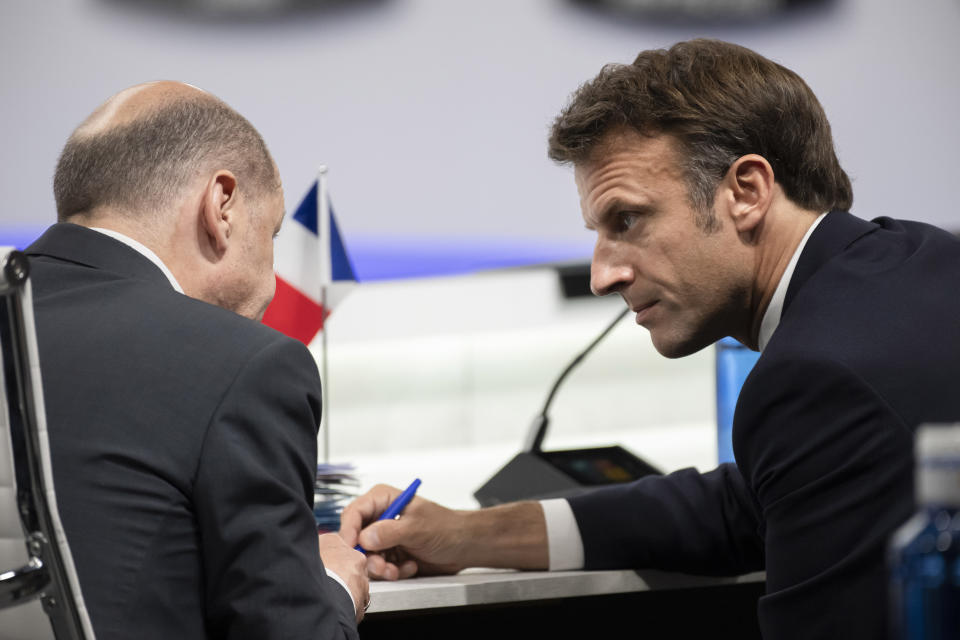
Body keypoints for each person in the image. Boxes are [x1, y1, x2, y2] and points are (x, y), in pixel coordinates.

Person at [340, 39, 960, 639]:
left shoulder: (817, 375)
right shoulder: (916, 257)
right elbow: (743, 507)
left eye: (627, 220)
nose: (602, 274)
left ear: (745, 191)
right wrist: (470, 535)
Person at [23, 82, 367, 639]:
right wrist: (330, 583)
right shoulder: (244, 365)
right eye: (272, 232)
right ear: (222, 204)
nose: (274, 287)